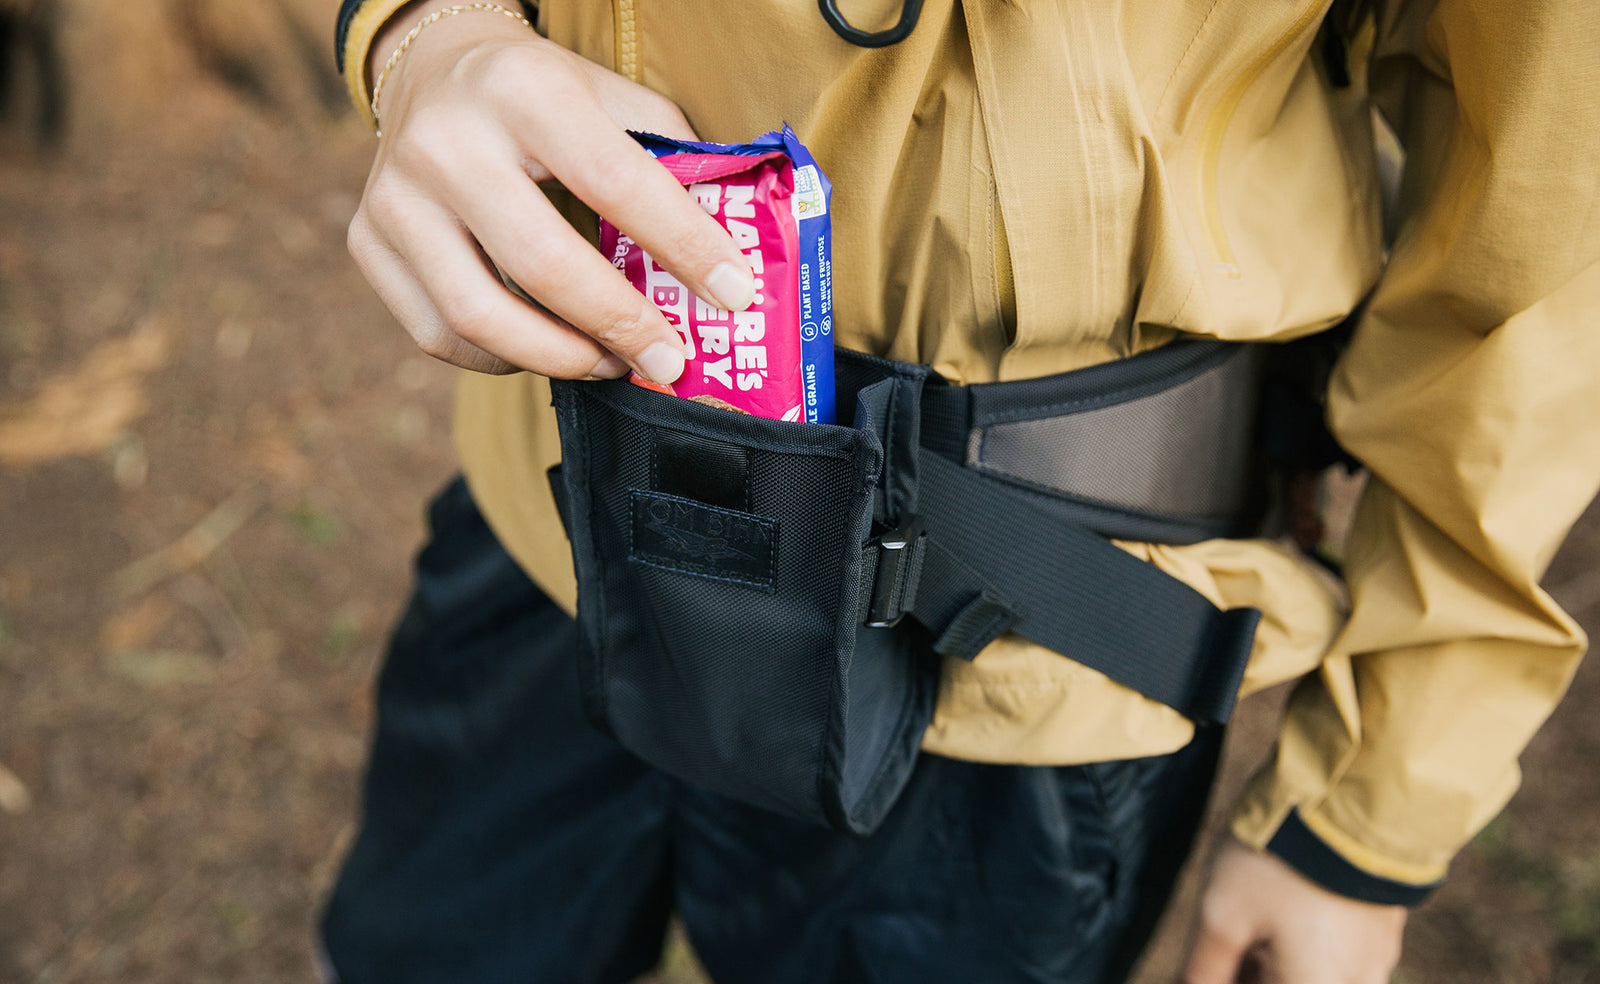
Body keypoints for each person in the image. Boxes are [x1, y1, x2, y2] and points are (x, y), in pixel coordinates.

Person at [318, 1, 1600, 981]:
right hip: (570, 513)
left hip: (1025, 648)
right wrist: (427, 33)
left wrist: (1365, 816)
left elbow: (1539, 246)